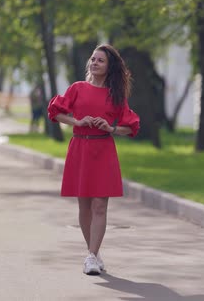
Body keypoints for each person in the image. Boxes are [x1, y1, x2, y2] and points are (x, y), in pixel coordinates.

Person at [47, 44, 139, 275]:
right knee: (85, 205)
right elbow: (55, 112)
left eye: (100, 60)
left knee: (100, 204)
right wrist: (76, 122)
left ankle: (90, 256)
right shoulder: (77, 88)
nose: (94, 63)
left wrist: (111, 127)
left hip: (104, 149)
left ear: (109, 67)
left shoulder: (115, 95)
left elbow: (130, 127)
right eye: (93, 59)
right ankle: (95, 253)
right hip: (80, 147)